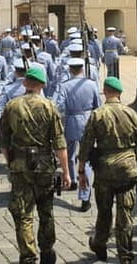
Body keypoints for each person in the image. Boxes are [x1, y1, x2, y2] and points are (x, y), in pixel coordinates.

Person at [0, 65, 70, 264]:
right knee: (45, 209)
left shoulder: (12, 106)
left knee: (23, 213)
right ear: (43, 85)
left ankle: (28, 255)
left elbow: (3, 141)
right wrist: (65, 171)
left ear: (24, 83)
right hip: (44, 165)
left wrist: (10, 161)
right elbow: (59, 143)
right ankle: (47, 249)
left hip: (20, 165)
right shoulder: (49, 106)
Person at [79, 76, 137, 264]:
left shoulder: (97, 114)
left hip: (104, 170)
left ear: (105, 91)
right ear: (120, 93)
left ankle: (100, 243)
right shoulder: (131, 114)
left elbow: (85, 144)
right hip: (127, 171)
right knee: (125, 214)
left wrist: (81, 170)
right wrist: (133, 159)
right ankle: (125, 254)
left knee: (104, 211)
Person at [55, 57, 101, 211]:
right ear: (82, 68)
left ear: (70, 69)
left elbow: (59, 105)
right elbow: (98, 106)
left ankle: (73, 179)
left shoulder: (65, 86)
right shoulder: (91, 84)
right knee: (85, 158)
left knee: (69, 154)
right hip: (88, 120)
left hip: (71, 121)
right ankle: (85, 195)